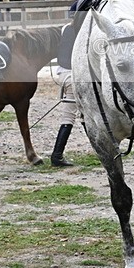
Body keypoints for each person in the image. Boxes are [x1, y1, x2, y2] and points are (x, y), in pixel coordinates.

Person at [50, 23, 78, 167]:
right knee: (69, 117)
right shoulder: (86, 27)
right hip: (73, 76)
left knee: (85, 114)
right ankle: (57, 155)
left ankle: (100, 150)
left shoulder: (66, 27)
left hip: (63, 74)